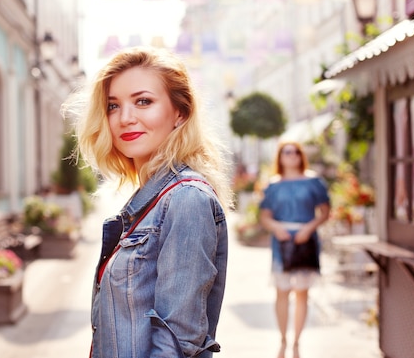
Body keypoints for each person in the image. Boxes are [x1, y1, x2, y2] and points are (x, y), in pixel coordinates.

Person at [63, 46, 233, 358]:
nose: (125, 118)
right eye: (113, 106)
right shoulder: (153, 199)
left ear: (180, 112)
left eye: (143, 101)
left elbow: (176, 343)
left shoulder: (185, 199)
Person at [258, 141, 330, 358]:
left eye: (296, 152)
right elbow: (264, 216)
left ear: (301, 156)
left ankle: (296, 342)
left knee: (302, 293)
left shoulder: (314, 182)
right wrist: (276, 227)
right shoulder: (273, 185)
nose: (291, 156)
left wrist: (309, 228)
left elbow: (325, 212)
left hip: (305, 241)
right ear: (279, 156)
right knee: (282, 292)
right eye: (286, 152)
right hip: (281, 243)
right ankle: (283, 340)